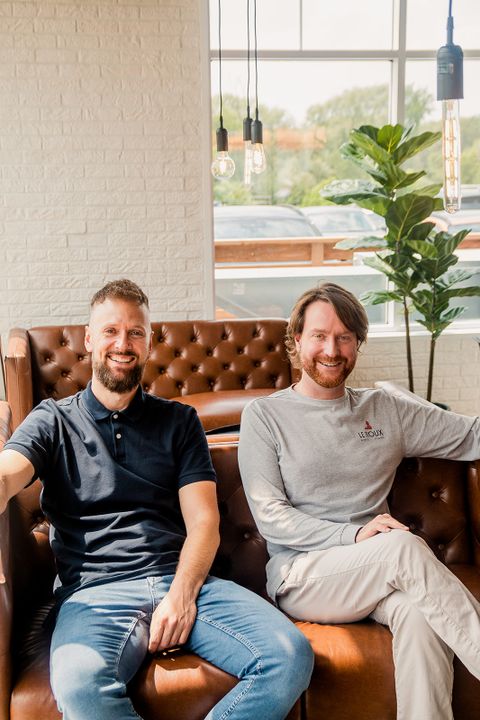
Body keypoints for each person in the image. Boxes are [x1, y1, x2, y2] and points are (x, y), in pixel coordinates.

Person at [0, 278, 313, 720]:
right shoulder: (53, 420)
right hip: (95, 593)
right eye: (110, 331)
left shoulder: (179, 422)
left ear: (149, 343)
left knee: (289, 656)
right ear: (88, 339)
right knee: (80, 688)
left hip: (181, 579)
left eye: (135, 332)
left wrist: (182, 596)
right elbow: (7, 475)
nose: (122, 344)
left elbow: (204, 522)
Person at [238, 282, 480, 720]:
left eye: (344, 337)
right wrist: (354, 534)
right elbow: (272, 518)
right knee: (402, 547)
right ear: (297, 339)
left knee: (420, 615)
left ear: (357, 343)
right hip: (304, 575)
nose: (331, 350)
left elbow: (471, 435)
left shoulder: (386, 410)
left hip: (379, 573)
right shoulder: (265, 416)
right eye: (319, 336)